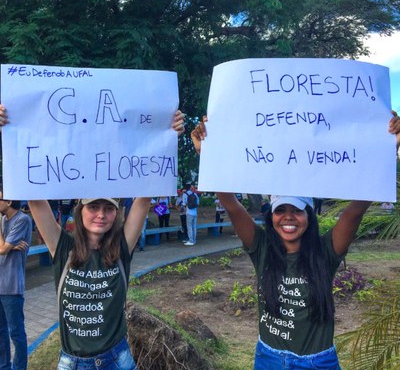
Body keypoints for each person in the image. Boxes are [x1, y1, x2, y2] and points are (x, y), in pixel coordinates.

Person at [191, 112, 400, 370]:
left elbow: (355, 210)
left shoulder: (326, 251)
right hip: (269, 359)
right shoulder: (262, 248)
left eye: (297, 210)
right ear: (271, 216)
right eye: (280, 210)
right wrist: (207, 154)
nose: (288, 217)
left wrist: (387, 147)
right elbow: (232, 206)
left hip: (319, 362)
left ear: (309, 216)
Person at [0, 104, 185, 370]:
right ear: (81, 210)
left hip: (117, 359)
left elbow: (144, 198)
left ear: (117, 213)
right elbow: (35, 199)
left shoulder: (122, 247)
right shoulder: (62, 247)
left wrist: (168, 137)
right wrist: (10, 134)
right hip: (72, 363)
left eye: (108, 208)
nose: (101, 214)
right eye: (93, 207)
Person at [0, 192, 32, 370]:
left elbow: (3, 250)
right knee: (0, 331)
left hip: (12, 286)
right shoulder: (3, 220)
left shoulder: (23, 220)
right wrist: (5, 245)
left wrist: (5, 246)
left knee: (16, 333)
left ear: (9, 200)